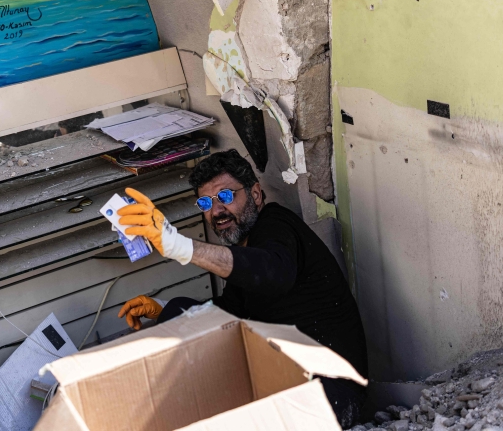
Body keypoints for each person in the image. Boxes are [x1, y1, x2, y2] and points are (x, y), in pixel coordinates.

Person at [116, 149, 368, 427]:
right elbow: (227, 314)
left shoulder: (276, 225)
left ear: (255, 195)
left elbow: (273, 273)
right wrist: (164, 309)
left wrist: (180, 246)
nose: (217, 211)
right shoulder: (246, 252)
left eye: (225, 196)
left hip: (330, 394)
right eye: (205, 203)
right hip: (290, 383)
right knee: (181, 328)